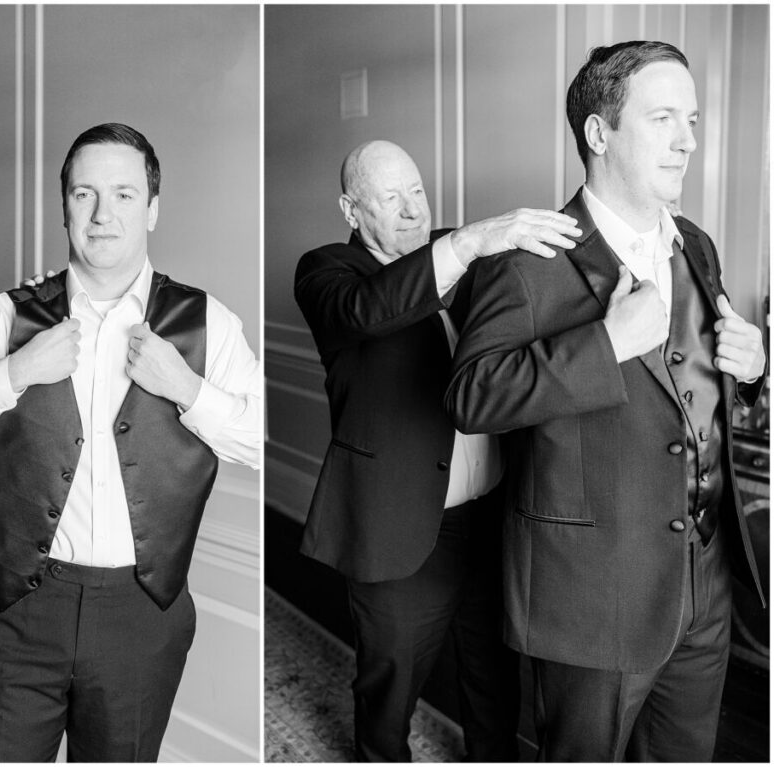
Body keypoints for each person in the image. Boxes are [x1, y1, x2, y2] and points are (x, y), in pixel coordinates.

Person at [445, 41, 766, 761]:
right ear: (599, 132)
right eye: (662, 119)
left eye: (692, 118)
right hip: (591, 593)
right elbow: (471, 396)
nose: (688, 140)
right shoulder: (528, 259)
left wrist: (751, 367)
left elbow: (698, 386)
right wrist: (605, 345)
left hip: (704, 582)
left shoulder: (696, 244)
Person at [0, 122, 261, 762]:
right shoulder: (9, 317)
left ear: (152, 209)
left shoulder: (208, 323)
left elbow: (258, 440)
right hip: (18, 613)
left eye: (123, 195)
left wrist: (186, 388)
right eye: (83, 194)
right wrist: (14, 371)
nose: (101, 215)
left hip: (141, 615)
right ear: (64, 204)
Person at [293, 139, 582, 761]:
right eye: (389, 197)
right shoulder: (325, 273)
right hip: (398, 526)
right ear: (351, 210)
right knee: (390, 685)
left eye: (417, 192)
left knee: (494, 673)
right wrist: (470, 243)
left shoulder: (467, 254)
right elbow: (368, 310)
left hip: (492, 517)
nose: (412, 211)